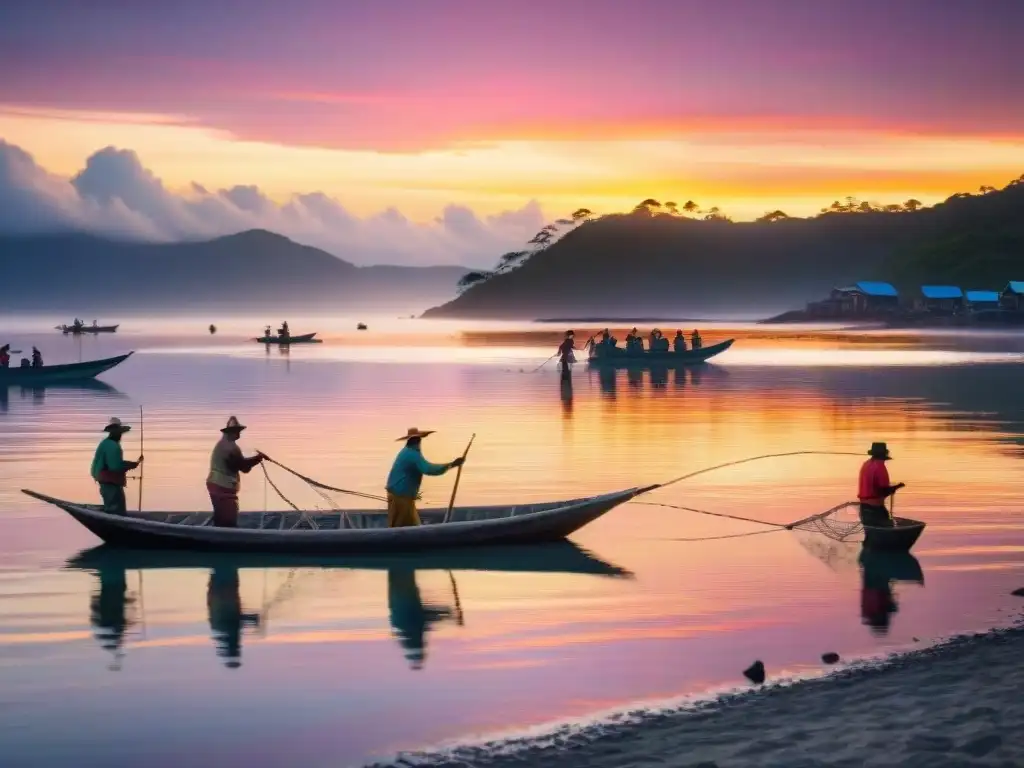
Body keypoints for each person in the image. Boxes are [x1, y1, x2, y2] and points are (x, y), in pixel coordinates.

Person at [385, 428, 464, 528]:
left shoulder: (406, 451)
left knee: (410, 524)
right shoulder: (412, 454)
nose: (419, 444)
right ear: (417, 442)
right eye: (418, 441)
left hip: (401, 494)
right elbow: (428, 469)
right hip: (400, 495)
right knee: (401, 526)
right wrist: (451, 465)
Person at [206, 416, 265, 527]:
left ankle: (219, 528)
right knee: (227, 519)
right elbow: (243, 467)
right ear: (230, 433)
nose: (238, 434)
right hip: (221, 486)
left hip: (217, 484)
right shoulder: (229, 447)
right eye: (236, 431)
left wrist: (256, 459)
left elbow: (240, 465)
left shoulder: (225, 444)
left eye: (238, 431)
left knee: (222, 513)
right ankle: (223, 534)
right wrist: (258, 458)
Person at [90, 417, 143, 515]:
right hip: (109, 482)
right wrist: (131, 465)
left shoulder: (105, 443)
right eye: (119, 433)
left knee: (113, 507)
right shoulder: (113, 446)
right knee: (116, 510)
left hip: (104, 480)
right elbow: (115, 467)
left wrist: (132, 464)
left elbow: (114, 463)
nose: (120, 435)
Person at [857, 442, 904, 527]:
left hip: (864, 508)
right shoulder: (880, 467)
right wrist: (896, 487)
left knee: (872, 535)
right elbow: (882, 491)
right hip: (875, 509)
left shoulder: (866, 464)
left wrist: (892, 488)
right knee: (888, 531)